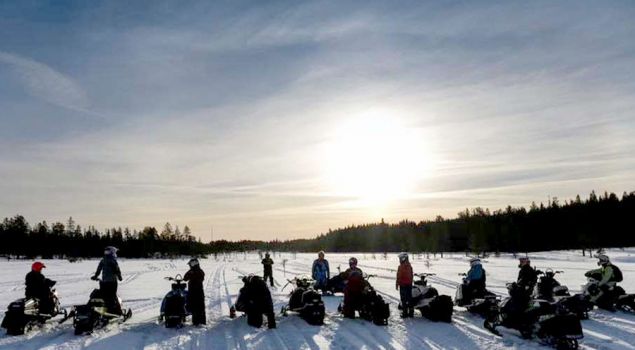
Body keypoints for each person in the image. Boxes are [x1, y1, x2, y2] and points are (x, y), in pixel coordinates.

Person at [92, 246, 123, 315]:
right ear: (113, 253)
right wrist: (119, 276)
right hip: (112, 282)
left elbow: (99, 269)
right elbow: (117, 269)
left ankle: (105, 309)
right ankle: (118, 312)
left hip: (104, 282)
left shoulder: (103, 260)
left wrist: (96, 276)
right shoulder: (113, 260)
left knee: (104, 296)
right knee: (113, 296)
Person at [184, 258, 206, 325]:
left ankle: (200, 322)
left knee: (198, 307)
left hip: (196, 291)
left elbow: (186, 278)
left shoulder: (198, 271)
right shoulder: (195, 271)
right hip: (195, 291)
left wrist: (192, 273)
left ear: (193, 264)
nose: (190, 265)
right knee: (196, 307)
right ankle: (198, 321)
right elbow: (185, 278)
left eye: (190, 264)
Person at [396, 253, 414, 318]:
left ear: (403, 259)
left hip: (403, 285)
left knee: (403, 299)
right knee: (409, 298)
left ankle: (405, 313)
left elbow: (399, 276)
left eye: (400, 258)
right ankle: (411, 313)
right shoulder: (409, 266)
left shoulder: (401, 267)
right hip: (409, 284)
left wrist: (397, 284)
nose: (399, 260)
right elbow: (411, 275)